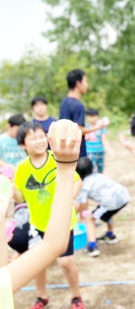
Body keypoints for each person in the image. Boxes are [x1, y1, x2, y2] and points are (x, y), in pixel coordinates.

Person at [0, 120, 82, 309]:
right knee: (38, 264)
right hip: (37, 224)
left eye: (40, 136)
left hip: (63, 224)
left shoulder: (59, 158)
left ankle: (76, 296)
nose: (38, 141)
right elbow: (20, 198)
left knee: (66, 262)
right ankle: (42, 296)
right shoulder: (21, 168)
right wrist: (10, 190)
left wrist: (66, 200)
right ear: (22, 145)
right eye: (32, 137)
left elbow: (76, 181)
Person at [75, 157, 130, 257]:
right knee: (104, 209)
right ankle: (110, 235)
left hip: (111, 203)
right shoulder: (98, 175)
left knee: (89, 219)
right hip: (124, 196)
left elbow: (81, 205)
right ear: (91, 167)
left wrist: (77, 214)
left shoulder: (83, 185)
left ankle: (92, 247)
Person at [59, 69, 106, 158]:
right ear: (78, 83)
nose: (87, 85)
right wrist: (99, 126)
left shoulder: (64, 102)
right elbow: (78, 130)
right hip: (77, 152)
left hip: (65, 150)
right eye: (85, 81)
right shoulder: (78, 105)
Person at [85, 108, 112, 173]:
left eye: (93, 116)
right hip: (90, 151)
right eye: (90, 116)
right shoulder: (85, 126)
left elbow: (104, 138)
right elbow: (84, 137)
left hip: (100, 151)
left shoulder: (101, 126)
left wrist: (109, 148)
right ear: (87, 117)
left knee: (101, 168)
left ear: (97, 116)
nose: (92, 118)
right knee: (92, 168)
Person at [0, 114, 27, 178]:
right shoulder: (1, 140)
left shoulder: (25, 139)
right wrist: (8, 166)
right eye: (17, 130)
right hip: (6, 173)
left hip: (23, 171)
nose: (19, 133)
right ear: (9, 126)